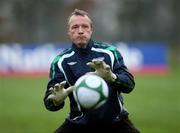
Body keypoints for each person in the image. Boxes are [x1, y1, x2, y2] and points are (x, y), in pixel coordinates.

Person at [43, 8, 140, 133]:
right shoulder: (61, 61)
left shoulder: (110, 53)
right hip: (78, 124)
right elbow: (49, 102)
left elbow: (130, 85)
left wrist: (111, 77)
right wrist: (55, 100)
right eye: (75, 27)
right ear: (69, 31)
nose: (80, 31)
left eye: (85, 26)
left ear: (91, 30)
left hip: (116, 123)